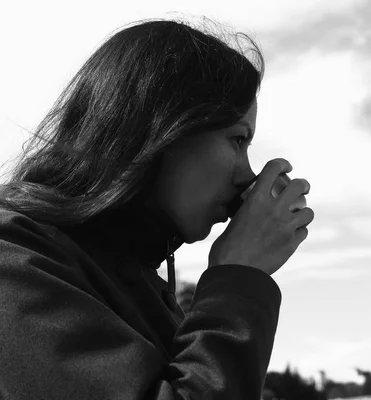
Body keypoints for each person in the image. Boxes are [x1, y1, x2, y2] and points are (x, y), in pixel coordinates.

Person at [0, 17, 314, 399]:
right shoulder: (14, 258)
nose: (248, 175)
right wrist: (240, 276)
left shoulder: (130, 276)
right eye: (237, 140)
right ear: (164, 127)